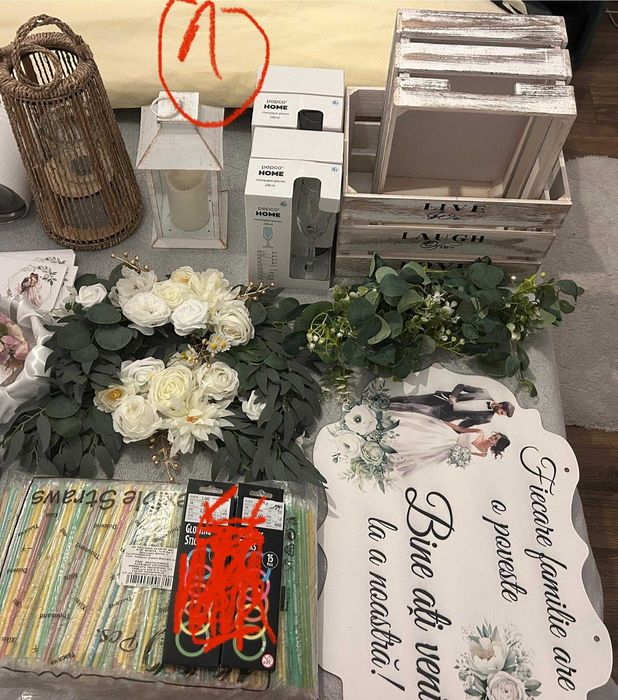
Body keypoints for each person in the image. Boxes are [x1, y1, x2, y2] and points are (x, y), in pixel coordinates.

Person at [391, 410, 510, 475]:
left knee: (421, 452)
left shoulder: (483, 454)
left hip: (446, 451)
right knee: (420, 434)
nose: (492, 437)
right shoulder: (480, 432)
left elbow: (465, 456)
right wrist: (443, 422)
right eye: (494, 435)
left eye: (495, 439)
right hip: (447, 435)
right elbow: (460, 429)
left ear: (496, 445)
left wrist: (457, 458)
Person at [389, 383, 514, 428]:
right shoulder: (483, 393)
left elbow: (465, 425)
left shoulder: (487, 418)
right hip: (443, 399)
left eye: (502, 414)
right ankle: (385, 401)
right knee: (409, 399)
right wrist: (453, 396)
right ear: (500, 405)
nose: (500, 414)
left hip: (445, 414)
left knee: (413, 408)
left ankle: (385, 407)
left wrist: (454, 427)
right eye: (502, 412)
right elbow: (462, 386)